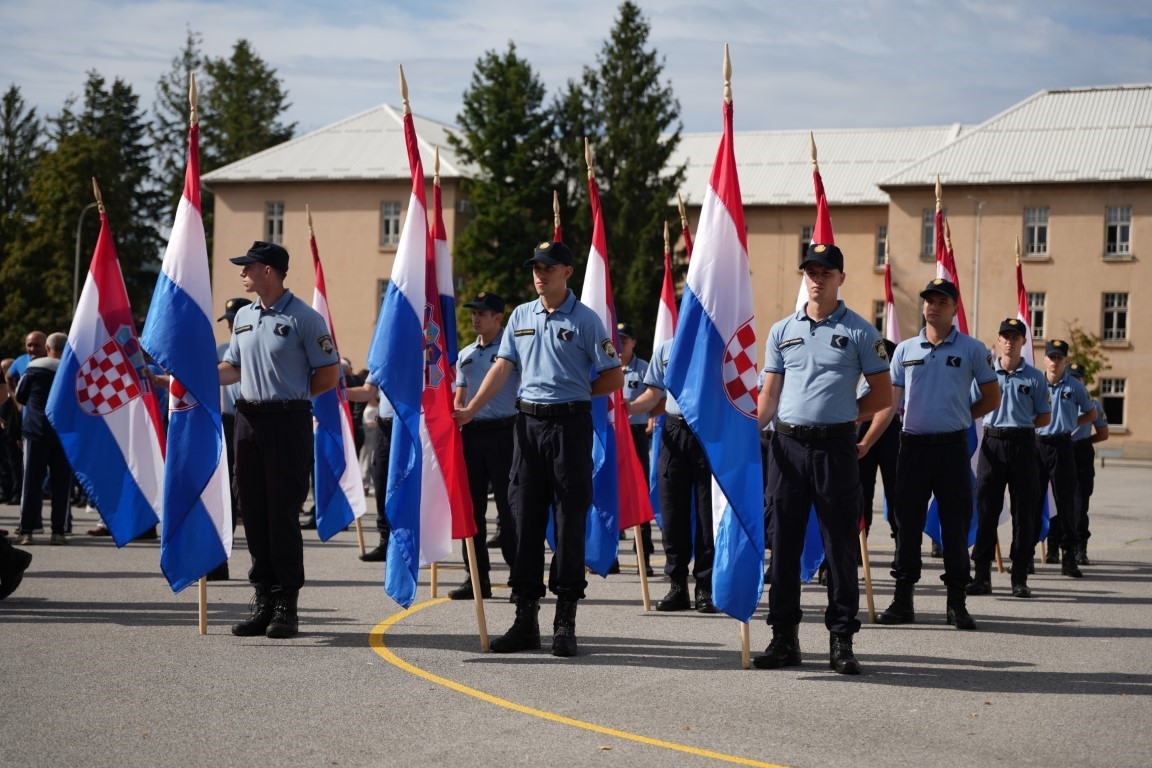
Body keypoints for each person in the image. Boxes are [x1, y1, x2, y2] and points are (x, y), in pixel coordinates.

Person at [453, 240, 623, 658]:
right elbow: (503, 366)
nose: (539, 273)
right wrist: (471, 409)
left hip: (569, 426)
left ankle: (565, 620)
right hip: (526, 425)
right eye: (535, 267)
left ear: (567, 271)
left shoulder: (586, 320)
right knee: (523, 520)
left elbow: (613, 377)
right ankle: (525, 619)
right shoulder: (520, 316)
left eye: (548, 267)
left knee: (568, 521)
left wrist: (577, 393)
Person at [755, 243, 892, 675]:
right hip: (787, 448)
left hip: (836, 449)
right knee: (784, 547)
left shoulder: (861, 332)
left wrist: (846, 414)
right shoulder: (781, 330)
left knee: (839, 547)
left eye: (825, 272)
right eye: (810, 272)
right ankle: (783, 638)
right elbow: (770, 394)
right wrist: (748, 432)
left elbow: (884, 395)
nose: (817, 279)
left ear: (840, 279)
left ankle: (841, 640)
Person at [218, 241, 340, 640]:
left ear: (268, 270)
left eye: (247, 267)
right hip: (247, 421)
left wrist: (291, 397)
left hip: (288, 421)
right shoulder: (244, 318)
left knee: (282, 514)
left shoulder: (304, 317)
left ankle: (287, 603)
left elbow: (328, 375)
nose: (242, 273)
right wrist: (192, 374)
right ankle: (263, 598)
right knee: (252, 512)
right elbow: (232, 369)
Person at [878, 278, 1000, 631]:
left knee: (955, 526)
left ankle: (956, 604)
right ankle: (903, 600)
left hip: (951, 449)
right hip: (912, 448)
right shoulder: (904, 350)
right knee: (907, 525)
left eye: (941, 301)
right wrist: (867, 437)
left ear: (954, 308)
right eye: (928, 300)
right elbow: (891, 401)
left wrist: (963, 416)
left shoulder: (973, 350)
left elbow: (992, 398)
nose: (933, 306)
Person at [629, 335, 716, 613]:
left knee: (707, 514)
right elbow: (654, 394)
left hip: (709, 433)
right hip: (674, 430)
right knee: (673, 510)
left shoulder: (718, 342)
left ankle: (705, 587)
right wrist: (627, 408)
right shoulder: (665, 349)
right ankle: (677, 585)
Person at [966, 318, 1051, 598]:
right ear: (999, 340)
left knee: (1024, 512)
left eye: (1016, 337)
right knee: (987, 509)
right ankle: (981, 575)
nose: (1010, 341)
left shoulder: (1036, 378)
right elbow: (973, 406)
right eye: (1005, 336)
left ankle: (1019, 576)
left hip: (1023, 444)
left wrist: (1019, 425)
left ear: (1024, 342)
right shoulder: (987, 374)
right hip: (993, 443)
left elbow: (1044, 416)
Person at [448, 291, 520, 600]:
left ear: (498, 318)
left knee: (510, 509)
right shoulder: (465, 353)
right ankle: (476, 576)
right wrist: (454, 414)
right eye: (474, 312)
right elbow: (460, 396)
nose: (476, 317)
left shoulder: (513, 350)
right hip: (472, 436)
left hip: (506, 433)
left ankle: (520, 576)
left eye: (483, 312)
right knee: (471, 508)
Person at [1035, 339, 1096, 577]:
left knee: (1066, 503)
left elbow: (1090, 413)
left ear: (1065, 361)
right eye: (1051, 357)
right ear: (1045, 359)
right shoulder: (1035, 382)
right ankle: (1024, 557)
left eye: (1060, 357)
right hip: (1038, 445)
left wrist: (1071, 424)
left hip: (1062, 445)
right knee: (1031, 501)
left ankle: (1069, 558)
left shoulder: (1075, 386)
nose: (1055, 361)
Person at [202, 297, 252, 578]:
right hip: (225, 422)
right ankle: (218, 561)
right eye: (228, 321)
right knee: (221, 491)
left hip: (251, 417)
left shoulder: (256, 344)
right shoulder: (223, 349)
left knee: (238, 492)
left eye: (235, 319)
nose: (231, 325)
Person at [14, 332, 73, 546]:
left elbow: (21, 395)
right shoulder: (72, 369)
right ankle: (59, 532)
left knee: (31, 482)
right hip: (64, 434)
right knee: (62, 484)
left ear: (48, 348)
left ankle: (27, 531)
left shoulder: (34, 367)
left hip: (36, 432)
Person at [614, 322, 654, 575]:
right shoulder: (606, 369)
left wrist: (633, 407)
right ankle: (610, 555)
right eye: (617, 339)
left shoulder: (643, 369)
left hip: (636, 434)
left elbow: (653, 397)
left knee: (639, 492)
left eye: (625, 340)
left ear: (633, 343)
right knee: (611, 492)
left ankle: (644, 557)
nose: (620, 344)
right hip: (614, 435)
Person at [855, 338, 901, 541]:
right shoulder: (865, 377)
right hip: (862, 429)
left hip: (890, 430)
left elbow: (884, 407)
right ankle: (858, 542)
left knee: (895, 490)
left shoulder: (892, 377)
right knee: (861, 489)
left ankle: (900, 539)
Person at [345, 376, 394, 563]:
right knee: (380, 482)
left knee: (412, 488)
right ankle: (385, 540)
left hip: (412, 425)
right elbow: (366, 392)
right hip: (385, 427)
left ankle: (415, 543)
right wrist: (338, 390)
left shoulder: (422, 354)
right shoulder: (381, 359)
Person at [1068, 362, 1108, 565]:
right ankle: (1054, 546)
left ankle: (1079, 547)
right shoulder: (1056, 400)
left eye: (1079, 379)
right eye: (1072, 378)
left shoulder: (1092, 404)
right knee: (1054, 500)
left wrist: (1085, 442)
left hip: (1081, 453)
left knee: (1080, 502)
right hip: (1059, 449)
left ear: (1084, 381)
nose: (1075, 382)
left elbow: (1103, 433)